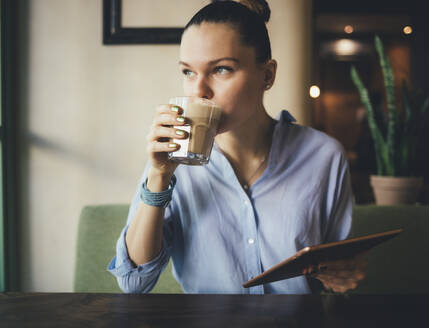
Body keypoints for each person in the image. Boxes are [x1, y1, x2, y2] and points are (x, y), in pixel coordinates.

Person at [108, 0, 366, 294]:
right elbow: (134, 283)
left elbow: (338, 273)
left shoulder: (324, 156)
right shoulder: (171, 163)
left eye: (221, 69)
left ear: (267, 75)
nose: (199, 91)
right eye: (188, 72)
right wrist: (158, 177)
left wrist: (343, 276)